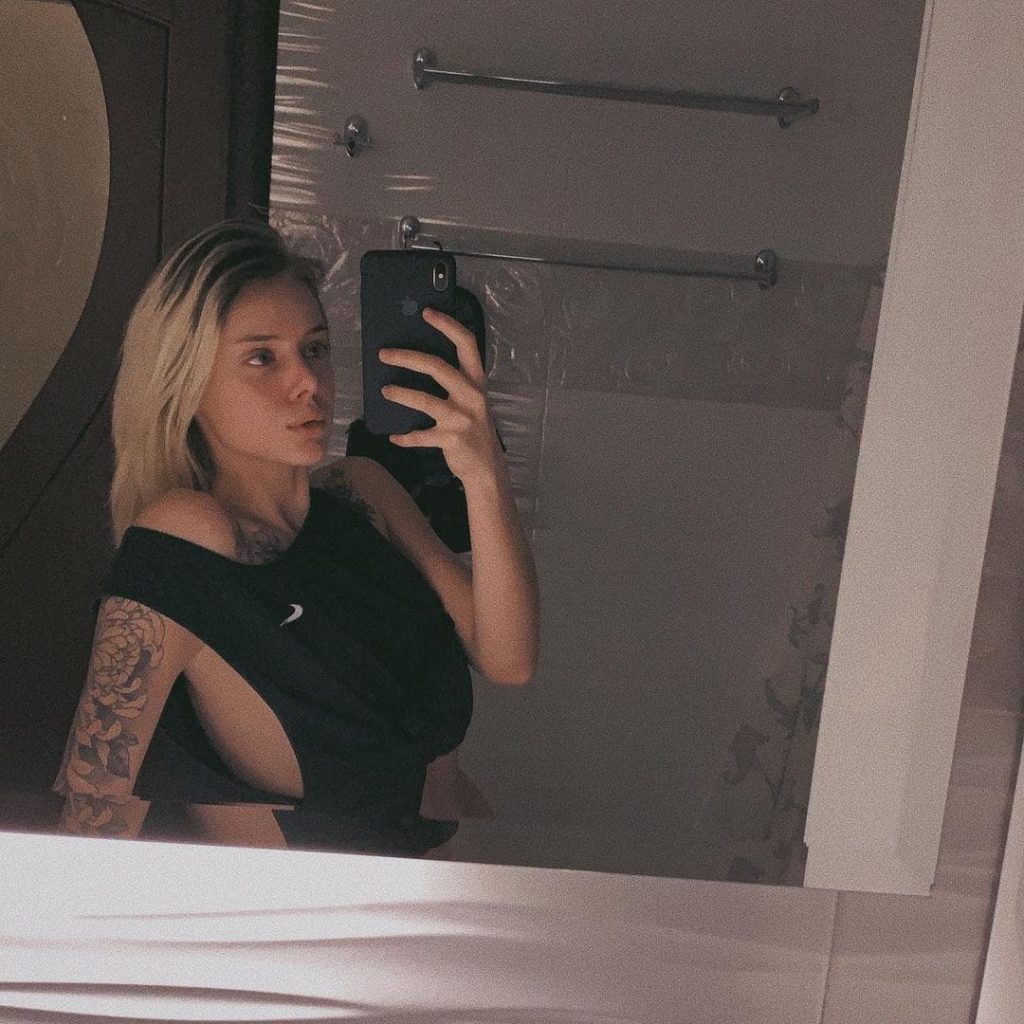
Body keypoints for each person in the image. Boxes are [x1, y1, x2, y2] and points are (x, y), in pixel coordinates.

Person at [51, 219, 539, 856]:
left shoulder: (362, 492)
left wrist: (483, 471)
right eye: (262, 357)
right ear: (185, 382)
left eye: (315, 348)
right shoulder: (187, 532)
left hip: (477, 881)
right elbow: (93, 822)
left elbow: (508, 659)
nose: (308, 381)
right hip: (328, 912)